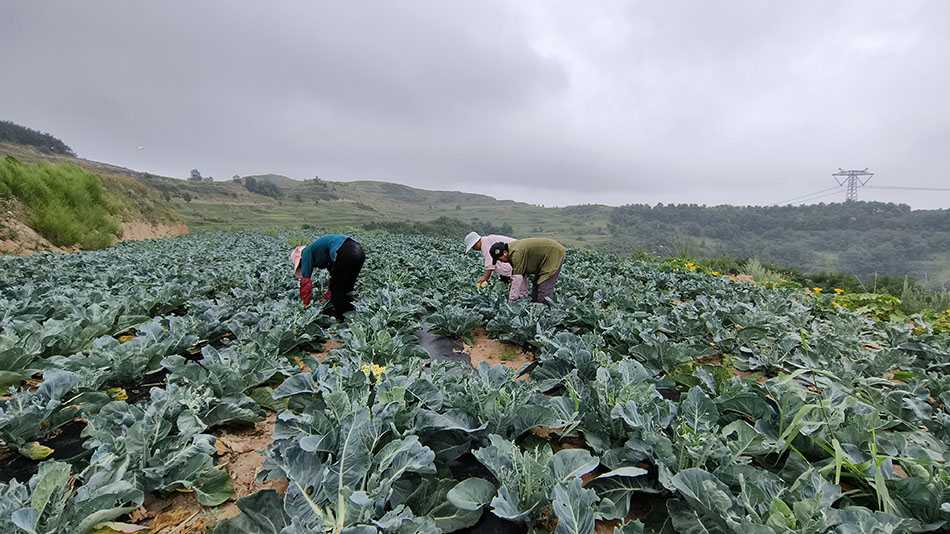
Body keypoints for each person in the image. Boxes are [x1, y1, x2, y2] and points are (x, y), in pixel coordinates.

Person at [290, 234, 365, 321]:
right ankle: (350, 316)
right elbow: (334, 277)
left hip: (346, 252)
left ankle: (342, 319)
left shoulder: (306, 252)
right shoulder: (322, 252)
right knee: (347, 287)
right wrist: (326, 297)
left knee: (337, 288)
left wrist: (305, 304)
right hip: (359, 251)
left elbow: (305, 281)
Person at [489, 238, 565, 304]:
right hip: (544, 258)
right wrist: (523, 296)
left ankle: (545, 313)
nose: (501, 262)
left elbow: (517, 278)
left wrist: (511, 299)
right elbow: (522, 277)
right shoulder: (511, 253)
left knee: (544, 287)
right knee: (536, 286)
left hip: (553, 252)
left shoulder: (516, 253)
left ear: (505, 253)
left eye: (500, 259)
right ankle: (537, 308)